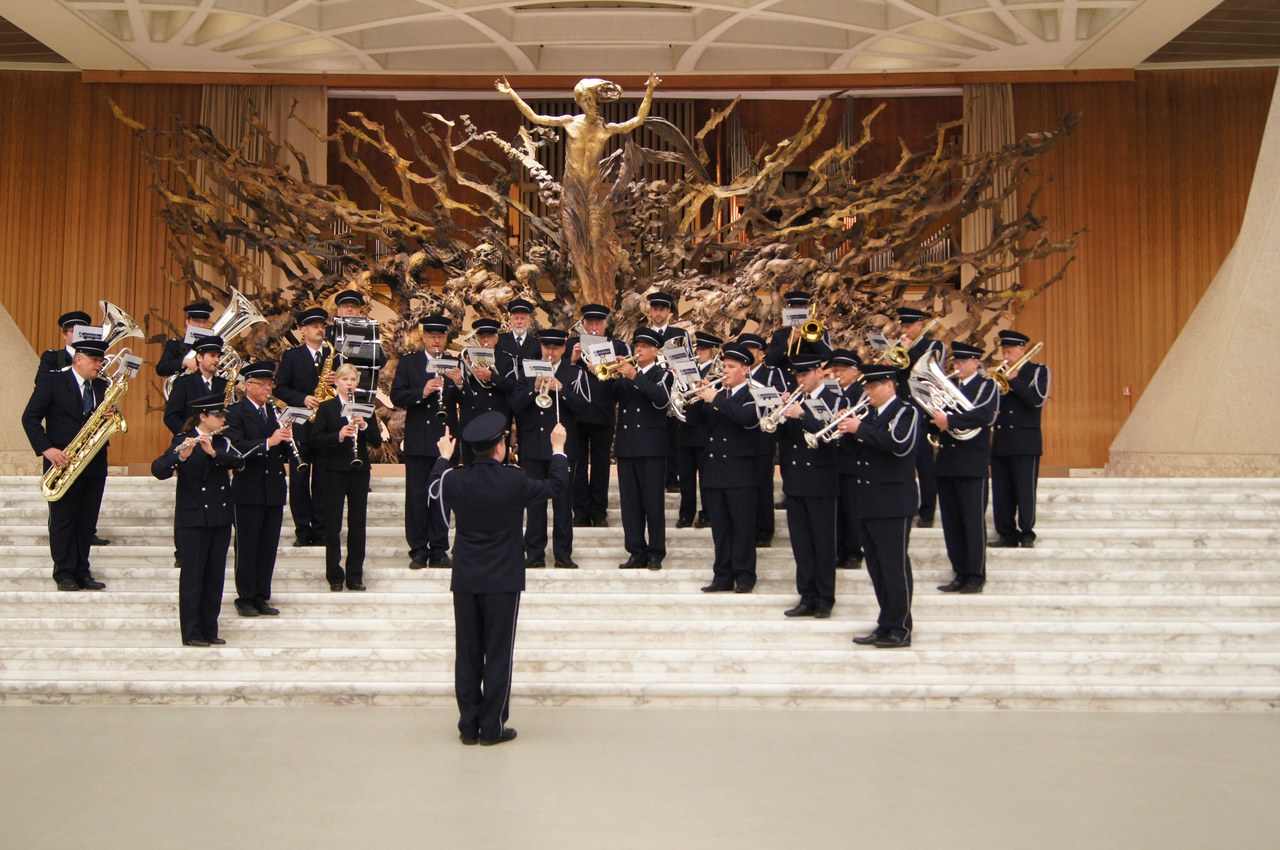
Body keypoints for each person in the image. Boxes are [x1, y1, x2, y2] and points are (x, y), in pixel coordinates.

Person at [432, 412, 570, 746]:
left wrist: (442, 457)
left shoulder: (454, 479)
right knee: (497, 653)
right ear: (499, 447)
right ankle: (491, 726)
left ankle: (468, 725)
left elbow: (433, 488)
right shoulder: (514, 479)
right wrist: (558, 450)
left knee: (467, 652)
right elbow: (556, 486)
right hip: (503, 580)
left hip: (466, 578)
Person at [838, 363, 921, 649]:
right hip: (869, 501)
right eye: (867, 388)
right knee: (876, 568)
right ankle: (886, 622)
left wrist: (859, 428)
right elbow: (857, 452)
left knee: (894, 566)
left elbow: (897, 443)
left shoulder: (905, 411)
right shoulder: (870, 414)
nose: (868, 392)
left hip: (893, 502)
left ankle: (901, 627)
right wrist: (845, 432)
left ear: (890, 385)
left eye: (873, 387)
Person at [21, 338, 114, 591]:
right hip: (62, 462)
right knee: (63, 520)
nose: (100, 365)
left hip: (94, 463)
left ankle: (82, 571)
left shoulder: (103, 386)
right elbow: (29, 418)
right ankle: (63, 573)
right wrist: (47, 449)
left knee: (86, 520)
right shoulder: (53, 381)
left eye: (101, 360)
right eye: (95, 360)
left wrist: (111, 417)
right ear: (79, 359)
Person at [151, 394, 242, 646]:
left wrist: (213, 452)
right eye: (218, 416)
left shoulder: (223, 441)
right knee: (193, 578)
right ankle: (191, 633)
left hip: (220, 518)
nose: (223, 419)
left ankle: (210, 629)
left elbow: (239, 462)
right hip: (192, 519)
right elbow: (158, 470)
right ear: (203, 417)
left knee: (215, 577)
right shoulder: (182, 440)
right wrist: (180, 456)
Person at [508, 328, 588, 569]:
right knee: (534, 503)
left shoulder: (573, 373)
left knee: (563, 503)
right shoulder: (527, 371)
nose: (550, 353)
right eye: (546, 348)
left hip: (561, 447)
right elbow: (514, 405)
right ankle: (534, 553)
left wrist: (562, 391)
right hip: (533, 446)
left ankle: (563, 554)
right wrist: (534, 387)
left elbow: (584, 409)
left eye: (555, 348)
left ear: (563, 349)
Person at [688, 342, 761, 593]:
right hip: (715, 471)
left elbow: (746, 419)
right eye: (724, 366)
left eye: (731, 367)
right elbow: (694, 422)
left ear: (744, 369)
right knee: (720, 528)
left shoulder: (752, 394)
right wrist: (696, 398)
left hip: (741, 473)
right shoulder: (717, 394)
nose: (725, 371)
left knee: (742, 527)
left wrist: (715, 398)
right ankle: (722, 575)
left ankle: (744, 576)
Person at [928, 342, 1000, 594]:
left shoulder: (987, 386)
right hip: (947, 462)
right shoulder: (947, 388)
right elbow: (933, 418)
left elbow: (985, 415)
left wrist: (950, 420)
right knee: (952, 523)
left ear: (975, 363)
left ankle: (975, 574)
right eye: (955, 363)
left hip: (972, 463)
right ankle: (959, 571)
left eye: (961, 363)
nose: (956, 367)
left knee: (972, 521)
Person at [224, 360, 293, 617]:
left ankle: (262, 595)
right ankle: (245, 597)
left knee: (267, 546)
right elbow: (237, 447)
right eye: (263, 385)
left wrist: (288, 438)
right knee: (247, 545)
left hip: (273, 489)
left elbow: (282, 449)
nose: (267, 389)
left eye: (270, 385)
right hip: (248, 489)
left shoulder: (274, 412)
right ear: (248, 386)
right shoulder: (235, 413)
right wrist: (269, 441)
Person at [777, 350, 842, 618]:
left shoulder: (833, 397)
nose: (800, 379)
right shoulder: (795, 399)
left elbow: (833, 434)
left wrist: (802, 414)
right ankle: (806, 595)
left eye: (805, 374)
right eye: (798, 375)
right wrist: (779, 413)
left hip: (821, 480)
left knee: (823, 543)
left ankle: (825, 597)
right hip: (795, 481)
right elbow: (779, 437)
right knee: (801, 543)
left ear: (819, 373)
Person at [391, 314, 457, 569]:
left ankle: (440, 549)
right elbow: (397, 395)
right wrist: (423, 392)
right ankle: (419, 549)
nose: (436, 341)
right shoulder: (410, 363)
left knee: (442, 496)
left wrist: (460, 382)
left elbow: (466, 398)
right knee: (417, 497)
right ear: (424, 338)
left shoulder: (453, 363)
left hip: (445, 441)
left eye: (440, 337)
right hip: (418, 440)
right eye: (432, 337)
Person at [312, 363, 382, 591]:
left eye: (353, 380)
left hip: (359, 471)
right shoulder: (327, 407)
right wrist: (339, 435)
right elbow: (316, 440)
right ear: (337, 382)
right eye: (345, 380)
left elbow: (377, 442)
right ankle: (334, 575)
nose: (349, 384)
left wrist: (363, 426)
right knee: (333, 524)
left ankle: (355, 575)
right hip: (334, 471)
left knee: (357, 523)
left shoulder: (365, 408)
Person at [608, 327, 673, 570]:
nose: (639, 350)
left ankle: (656, 552)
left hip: (652, 448)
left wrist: (635, 375)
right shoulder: (625, 376)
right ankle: (635, 550)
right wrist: (606, 372)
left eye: (645, 346)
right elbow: (608, 396)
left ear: (655, 350)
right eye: (637, 346)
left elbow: (660, 398)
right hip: (627, 446)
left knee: (653, 502)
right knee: (631, 503)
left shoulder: (662, 374)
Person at [274, 307, 335, 547]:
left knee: (322, 478)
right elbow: (279, 388)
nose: (320, 329)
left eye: (322, 326)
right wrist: (303, 398)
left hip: (325, 426)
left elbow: (348, 386)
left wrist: (337, 380)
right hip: (300, 425)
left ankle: (321, 529)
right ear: (303, 330)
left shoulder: (334, 355)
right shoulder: (292, 356)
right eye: (315, 326)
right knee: (299, 480)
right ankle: (303, 530)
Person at [568, 303, 629, 528]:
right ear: (583, 325)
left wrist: (613, 366)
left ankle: (599, 511)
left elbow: (625, 383)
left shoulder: (618, 346)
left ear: (605, 325)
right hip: (577, 414)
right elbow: (562, 376)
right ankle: (581, 511)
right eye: (589, 324)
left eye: (598, 324)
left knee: (602, 464)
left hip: (603, 412)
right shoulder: (572, 346)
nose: (594, 328)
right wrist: (573, 361)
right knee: (578, 465)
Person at [990, 330, 1051, 549]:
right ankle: (1006, 533)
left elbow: (1036, 401)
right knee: (1002, 491)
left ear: (1022, 349)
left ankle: (1026, 533)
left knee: (1025, 490)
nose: (1006, 356)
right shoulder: (1000, 373)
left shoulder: (1037, 371)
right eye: (1004, 351)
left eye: (1010, 351)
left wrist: (1014, 381)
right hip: (1002, 440)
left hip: (1026, 441)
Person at [891, 306, 945, 528]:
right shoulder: (899, 347)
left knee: (925, 465)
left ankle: (927, 512)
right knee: (903, 464)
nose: (904, 330)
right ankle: (907, 506)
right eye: (902, 326)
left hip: (923, 410)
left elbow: (929, 374)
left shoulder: (934, 346)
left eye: (908, 326)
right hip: (903, 411)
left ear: (920, 325)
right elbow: (894, 376)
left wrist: (908, 351)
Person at [739, 332, 788, 547]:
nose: (746, 356)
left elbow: (781, 397)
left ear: (761, 354)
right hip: (740, 436)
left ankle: (765, 530)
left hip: (762, 437)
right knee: (743, 486)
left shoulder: (771, 372)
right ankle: (746, 528)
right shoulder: (738, 374)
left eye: (750, 351)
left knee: (762, 485)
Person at [676, 331, 721, 528]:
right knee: (685, 477)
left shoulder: (717, 373)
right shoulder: (687, 370)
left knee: (706, 477)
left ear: (711, 352)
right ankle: (686, 514)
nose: (699, 352)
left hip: (705, 430)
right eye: (698, 349)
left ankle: (708, 513)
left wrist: (707, 386)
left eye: (703, 349)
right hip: (686, 427)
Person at [645, 291, 688, 493]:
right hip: (651, 389)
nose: (658, 313)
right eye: (655, 309)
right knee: (652, 434)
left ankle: (672, 477)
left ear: (669, 311)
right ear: (650, 311)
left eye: (662, 309)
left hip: (673, 390)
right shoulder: (642, 334)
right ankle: (654, 476)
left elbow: (687, 362)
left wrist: (676, 368)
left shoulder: (679, 334)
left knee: (674, 436)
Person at [826, 350, 866, 569]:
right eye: (836, 370)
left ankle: (853, 552)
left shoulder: (862, 394)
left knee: (852, 509)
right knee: (836, 509)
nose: (838, 374)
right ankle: (839, 549)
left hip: (853, 457)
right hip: (834, 457)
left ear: (855, 371)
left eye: (842, 370)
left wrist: (849, 416)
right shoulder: (832, 393)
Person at [454, 317, 509, 464]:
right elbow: (459, 391)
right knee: (470, 465)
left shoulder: (506, 360)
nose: (485, 341)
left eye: (489, 337)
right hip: (472, 418)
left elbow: (512, 387)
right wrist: (469, 371)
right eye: (481, 337)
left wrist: (492, 377)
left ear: (496, 339)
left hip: (496, 417)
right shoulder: (465, 358)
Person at [163, 334, 227, 435]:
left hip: (217, 444)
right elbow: (171, 417)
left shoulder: (223, 384)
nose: (217, 360)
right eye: (212, 355)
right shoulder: (183, 383)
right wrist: (190, 435)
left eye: (218, 356)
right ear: (199, 357)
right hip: (190, 443)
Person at [764, 289, 831, 371]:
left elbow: (827, 356)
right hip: (786, 379)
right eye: (794, 307)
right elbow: (769, 361)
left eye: (801, 308)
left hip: (809, 376)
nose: (797, 311)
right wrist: (789, 342)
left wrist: (809, 335)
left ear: (807, 310)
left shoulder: (819, 332)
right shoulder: (779, 335)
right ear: (788, 309)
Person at [155, 301, 214, 380]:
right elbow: (161, 369)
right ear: (188, 322)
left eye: (204, 322)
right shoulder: (175, 344)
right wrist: (184, 362)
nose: (201, 325)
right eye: (196, 321)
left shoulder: (214, 348)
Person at [35, 310, 91, 384]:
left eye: (82, 332)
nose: (78, 335)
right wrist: (69, 370)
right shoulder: (53, 357)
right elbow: (40, 380)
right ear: (64, 335)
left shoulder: (94, 359)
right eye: (73, 331)